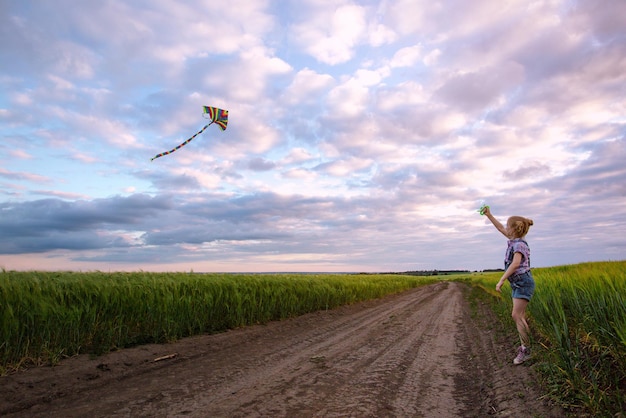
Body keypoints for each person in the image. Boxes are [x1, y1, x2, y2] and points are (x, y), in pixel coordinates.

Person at [483, 206, 535, 365]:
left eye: (508, 226)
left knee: (516, 315)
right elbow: (499, 228)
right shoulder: (515, 240)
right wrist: (488, 215)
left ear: (514, 229)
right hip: (519, 283)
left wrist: (501, 280)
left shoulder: (519, 245)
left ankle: (526, 349)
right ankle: (526, 346)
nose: (505, 228)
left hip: (523, 283)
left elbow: (515, 264)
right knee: (519, 316)